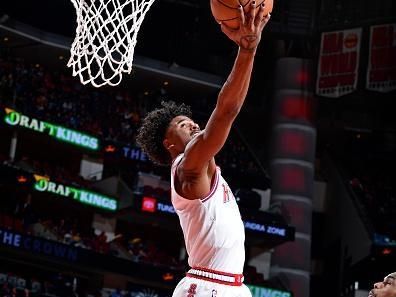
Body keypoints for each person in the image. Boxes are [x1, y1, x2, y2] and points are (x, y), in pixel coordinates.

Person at [136, 2, 270, 297]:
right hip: (208, 286)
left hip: (231, 285)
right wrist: (247, 51)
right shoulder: (188, 167)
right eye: (184, 125)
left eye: (192, 121)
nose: (194, 126)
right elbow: (226, 111)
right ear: (169, 145)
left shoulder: (204, 167)